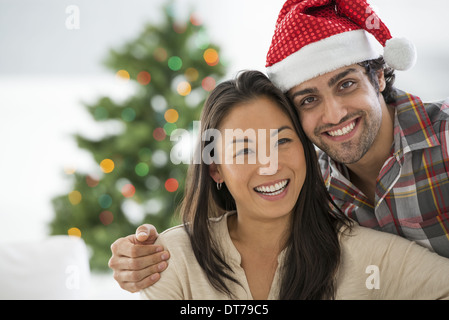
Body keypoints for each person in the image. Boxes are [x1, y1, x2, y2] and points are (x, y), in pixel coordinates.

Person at [109, 0, 449, 292]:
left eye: (346, 83)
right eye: (309, 99)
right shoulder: (315, 183)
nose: (334, 113)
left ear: (378, 76)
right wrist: (141, 255)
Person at [139, 70, 449, 300]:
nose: (269, 166)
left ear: (307, 151)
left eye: (282, 141)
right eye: (245, 150)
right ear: (215, 169)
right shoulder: (171, 259)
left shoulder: (368, 254)